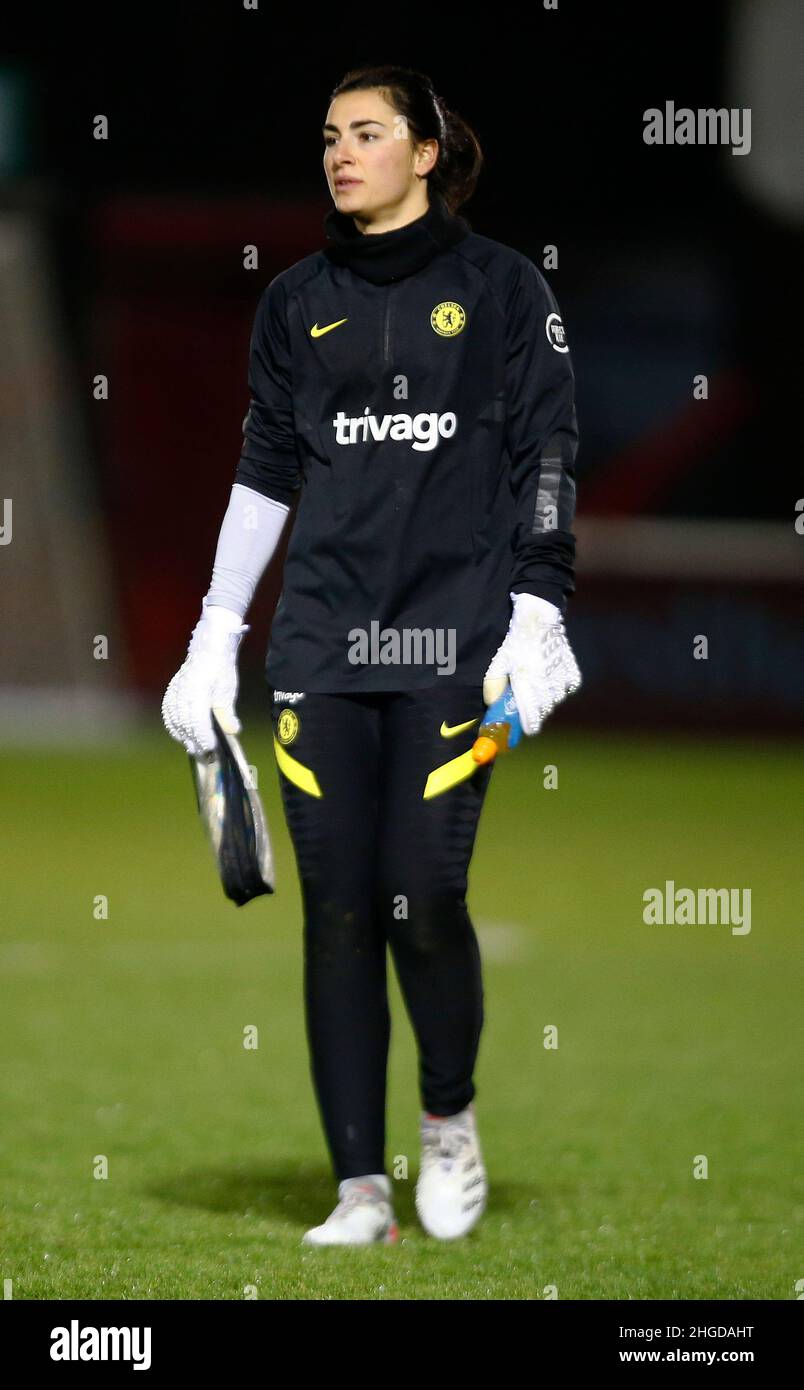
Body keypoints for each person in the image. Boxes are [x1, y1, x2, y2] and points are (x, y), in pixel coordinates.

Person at [162, 64, 582, 1246]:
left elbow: (547, 447)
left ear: (426, 151)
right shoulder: (296, 301)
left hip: (455, 639)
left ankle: (447, 1118)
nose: (342, 154)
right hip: (322, 643)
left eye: (367, 133)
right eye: (330, 136)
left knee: (426, 893)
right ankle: (360, 1191)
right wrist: (213, 634)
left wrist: (540, 604)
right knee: (338, 906)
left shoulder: (502, 288)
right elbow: (264, 472)